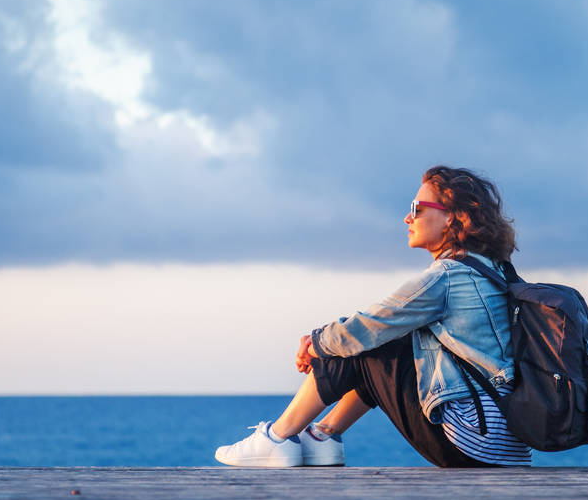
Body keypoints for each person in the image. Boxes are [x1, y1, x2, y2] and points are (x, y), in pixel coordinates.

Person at [214, 166, 531, 468]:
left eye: (417, 208)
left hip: (470, 441)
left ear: (450, 217)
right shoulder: (496, 271)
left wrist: (314, 342)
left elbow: (367, 328)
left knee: (353, 341)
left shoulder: (446, 277)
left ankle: (277, 438)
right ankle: (322, 435)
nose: (408, 217)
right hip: (507, 443)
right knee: (377, 341)